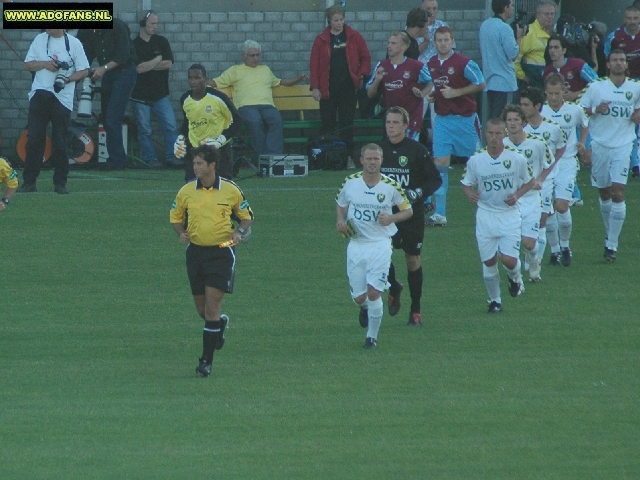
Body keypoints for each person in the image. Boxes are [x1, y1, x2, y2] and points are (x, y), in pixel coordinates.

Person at [170, 145, 254, 377]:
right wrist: (180, 233)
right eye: (194, 163)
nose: (195, 167)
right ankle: (219, 324)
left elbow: (247, 216)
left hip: (222, 251)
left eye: (199, 163)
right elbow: (175, 217)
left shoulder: (230, 190)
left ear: (211, 165)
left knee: (212, 307)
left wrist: (238, 232)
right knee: (203, 311)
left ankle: (206, 362)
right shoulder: (186, 191)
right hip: (195, 252)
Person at [336, 143, 413, 348]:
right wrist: (340, 221)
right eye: (368, 159)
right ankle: (365, 308)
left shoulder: (390, 185)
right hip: (356, 244)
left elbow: (408, 210)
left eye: (376, 159)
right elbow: (341, 203)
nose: (372, 162)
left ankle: (371, 338)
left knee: (374, 292)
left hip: (380, 244)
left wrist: (392, 218)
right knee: (360, 298)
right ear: (361, 160)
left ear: (381, 161)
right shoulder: (351, 182)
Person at [461, 118, 534, 313]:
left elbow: (530, 181)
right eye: (490, 134)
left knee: (508, 260)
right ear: (486, 134)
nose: (494, 138)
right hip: (485, 214)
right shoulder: (476, 160)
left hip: (509, 214)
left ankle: (515, 277)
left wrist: (517, 195)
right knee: (489, 260)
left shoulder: (516, 159)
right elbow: (466, 183)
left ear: (504, 134)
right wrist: (471, 195)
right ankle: (495, 300)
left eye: (498, 134)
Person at [379, 107, 442, 326]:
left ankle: (416, 308)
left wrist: (418, 193)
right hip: (385, 214)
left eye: (396, 122)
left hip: (410, 214)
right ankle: (394, 286)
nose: (391, 126)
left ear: (406, 126)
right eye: (388, 122)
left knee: (412, 258)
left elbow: (435, 180)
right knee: (381, 256)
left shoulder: (417, 150)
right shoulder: (379, 150)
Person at [579, 50, 640, 262]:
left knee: (618, 192)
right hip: (600, 145)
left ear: (626, 64)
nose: (618, 63)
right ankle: (609, 234)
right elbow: (581, 110)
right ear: (608, 64)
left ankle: (612, 245)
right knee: (604, 193)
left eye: (622, 60)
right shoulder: (596, 87)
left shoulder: (635, 88)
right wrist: (597, 109)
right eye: (614, 60)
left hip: (623, 145)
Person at [424, 26, 485, 227]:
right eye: (439, 40)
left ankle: (487, 205)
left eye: (446, 40)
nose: (442, 43)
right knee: (440, 163)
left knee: (477, 163)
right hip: (442, 120)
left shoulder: (464, 62)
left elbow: (481, 83)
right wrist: (434, 96)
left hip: (465, 119)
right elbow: (437, 88)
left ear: (452, 41)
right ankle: (440, 213)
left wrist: (457, 92)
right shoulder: (431, 63)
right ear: (434, 43)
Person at [16, 29, 89, 194]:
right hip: (40, 94)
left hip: (62, 98)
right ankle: (29, 182)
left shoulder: (74, 43)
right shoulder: (39, 40)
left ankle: (60, 183)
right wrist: (44, 64)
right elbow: (27, 65)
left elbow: (84, 70)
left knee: (60, 141)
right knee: (34, 139)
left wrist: (67, 78)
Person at [210, 40, 308, 157]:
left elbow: (280, 82)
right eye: (252, 55)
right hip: (246, 107)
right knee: (255, 121)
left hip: (267, 105)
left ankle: (274, 156)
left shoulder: (265, 69)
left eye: (258, 55)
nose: (256, 58)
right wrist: (200, 82)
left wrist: (298, 79)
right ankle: (264, 156)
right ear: (244, 56)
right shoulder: (235, 70)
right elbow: (216, 82)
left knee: (276, 119)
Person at [310, 4, 371, 160]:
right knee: (327, 122)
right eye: (335, 20)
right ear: (329, 20)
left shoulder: (354, 36)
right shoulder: (321, 39)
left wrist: (362, 75)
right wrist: (315, 87)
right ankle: (326, 155)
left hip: (348, 87)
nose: (339, 23)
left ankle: (347, 156)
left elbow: (366, 57)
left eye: (341, 19)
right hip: (327, 88)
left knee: (346, 122)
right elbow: (314, 65)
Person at [541, 73, 589, 266]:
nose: (553, 97)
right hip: (545, 164)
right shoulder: (540, 111)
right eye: (550, 93)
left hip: (567, 161)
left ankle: (565, 245)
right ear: (545, 92)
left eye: (557, 93)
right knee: (549, 209)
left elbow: (585, 125)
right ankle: (554, 251)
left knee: (561, 206)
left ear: (564, 91)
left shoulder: (574, 110)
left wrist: (582, 143)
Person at [502, 104, 553, 282]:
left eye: (516, 119)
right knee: (510, 241)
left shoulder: (537, 143)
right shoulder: (501, 145)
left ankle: (533, 259)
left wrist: (540, 180)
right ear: (505, 124)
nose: (513, 123)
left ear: (524, 122)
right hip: (510, 201)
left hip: (531, 199)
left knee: (528, 243)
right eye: (509, 120)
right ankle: (515, 276)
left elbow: (549, 164)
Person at [78, 19, 137, 170]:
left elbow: (123, 55)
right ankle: (115, 158)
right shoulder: (88, 33)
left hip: (124, 72)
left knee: (113, 117)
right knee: (106, 117)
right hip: (109, 75)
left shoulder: (117, 25)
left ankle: (118, 160)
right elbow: (87, 55)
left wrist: (103, 68)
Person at [518, 86, 566, 263]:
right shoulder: (518, 129)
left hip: (544, 182)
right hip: (522, 184)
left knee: (541, 221)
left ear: (537, 106)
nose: (522, 108)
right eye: (521, 104)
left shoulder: (553, 128)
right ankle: (545, 252)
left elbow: (561, 147)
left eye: (526, 104)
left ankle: (534, 264)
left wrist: (548, 171)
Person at [131, 10, 182, 168]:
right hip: (140, 96)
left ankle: (172, 157)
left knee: (171, 126)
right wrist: (158, 59)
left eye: (157, 23)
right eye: (152, 23)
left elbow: (168, 63)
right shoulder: (134, 45)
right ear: (143, 23)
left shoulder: (162, 41)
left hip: (161, 94)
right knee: (144, 129)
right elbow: (138, 68)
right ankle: (150, 158)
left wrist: (150, 64)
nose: (155, 27)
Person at [175, 64, 241, 182]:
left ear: (205, 79)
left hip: (218, 150)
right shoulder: (185, 99)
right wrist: (180, 138)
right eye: (190, 78)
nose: (193, 82)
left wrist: (220, 140)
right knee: (193, 187)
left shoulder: (219, 98)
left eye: (197, 78)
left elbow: (237, 120)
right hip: (195, 150)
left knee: (222, 188)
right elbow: (188, 122)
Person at [366, 31, 432, 141]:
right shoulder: (382, 65)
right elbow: (370, 94)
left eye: (393, 43)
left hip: (411, 120)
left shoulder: (416, 66)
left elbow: (431, 81)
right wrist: (377, 80)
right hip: (391, 120)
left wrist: (422, 94)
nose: (389, 46)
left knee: (408, 152)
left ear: (404, 47)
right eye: (389, 43)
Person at [605, 6, 640, 177]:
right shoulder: (615, 37)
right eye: (629, 18)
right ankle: (634, 163)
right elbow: (606, 57)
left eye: (635, 18)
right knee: (629, 123)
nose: (632, 22)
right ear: (624, 19)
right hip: (625, 84)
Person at [479, 0, 524, 120]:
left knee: (492, 118)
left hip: (489, 81)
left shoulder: (485, 25)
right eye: (512, 6)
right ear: (505, 8)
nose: (513, 9)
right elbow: (513, 55)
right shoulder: (504, 28)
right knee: (504, 119)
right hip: (504, 83)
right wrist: (519, 37)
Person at [543, 34, 598, 102]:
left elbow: (597, 83)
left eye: (556, 47)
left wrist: (576, 94)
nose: (552, 50)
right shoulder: (547, 71)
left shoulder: (579, 65)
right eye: (550, 48)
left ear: (564, 50)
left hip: (581, 106)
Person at [515, 0, 557, 89]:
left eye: (552, 14)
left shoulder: (554, 33)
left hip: (548, 79)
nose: (550, 17)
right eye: (546, 14)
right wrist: (522, 76)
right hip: (533, 80)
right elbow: (516, 57)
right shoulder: (529, 32)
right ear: (537, 15)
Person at [418, 0, 452, 66]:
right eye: (428, 9)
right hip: (420, 68)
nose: (431, 12)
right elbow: (410, 54)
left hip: (440, 68)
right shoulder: (414, 27)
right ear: (422, 10)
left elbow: (451, 50)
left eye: (434, 8)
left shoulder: (443, 26)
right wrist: (425, 42)